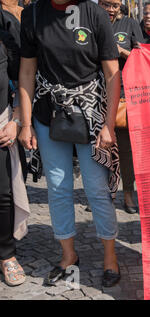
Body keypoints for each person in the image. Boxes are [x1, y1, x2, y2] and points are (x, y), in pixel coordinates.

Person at [18, 0, 122, 287]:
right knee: (58, 187)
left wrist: (108, 125)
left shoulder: (95, 14)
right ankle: (68, 256)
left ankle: (110, 256)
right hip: (47, 114)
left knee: (97, 189)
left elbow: (113, 74)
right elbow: (27, 72)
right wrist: (26, 123)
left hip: (91, 115)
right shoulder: (33, 14)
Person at [99, 0, 143, 214]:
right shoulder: (92, 21)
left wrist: (119, 51)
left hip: (125, 95)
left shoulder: (129, 24)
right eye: (106, 4)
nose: (110, 9)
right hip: (97, 94)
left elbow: (141, 55)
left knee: (125, 150)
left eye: (115, 5)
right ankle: (102, 194)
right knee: (100, 148)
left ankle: (127, 194)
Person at [0, 28, 29, 287]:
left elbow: (21, 80)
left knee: (3, 194)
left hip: (2, 126)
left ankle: (6, 254)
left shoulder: (5, 34)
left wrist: (17, 120)